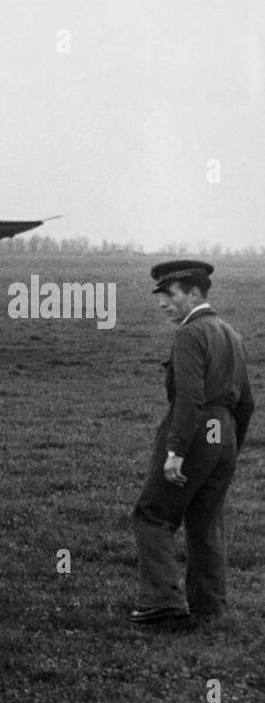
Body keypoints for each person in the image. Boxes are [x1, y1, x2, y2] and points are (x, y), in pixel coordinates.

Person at [129, 260, 253, 626]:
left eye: (169, 294)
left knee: (152, 514)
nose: (162, 303)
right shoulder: (230, 333)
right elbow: (246, 402)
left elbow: (189, 399)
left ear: (195, 293)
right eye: (160, 297)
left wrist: (176, 451)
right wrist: (227, 448)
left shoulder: (189, 334)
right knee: (205, 522)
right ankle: (210, 608)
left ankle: (163, 602)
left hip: (196, 430)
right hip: (224, 433)